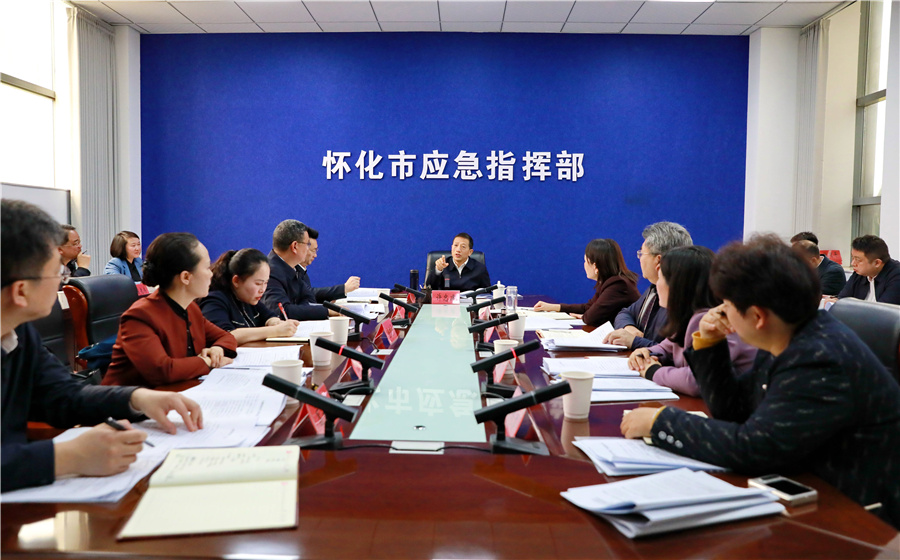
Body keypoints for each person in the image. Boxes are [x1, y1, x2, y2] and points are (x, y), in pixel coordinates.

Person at [620, 235, 900, 529]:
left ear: (757, 316)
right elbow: (734, 409)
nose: (720, 311)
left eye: (727, 304)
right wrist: (708, 343)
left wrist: (662, 422)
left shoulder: (817, 357)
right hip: (812, 487)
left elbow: (755, 448)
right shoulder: (788, 336)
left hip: (859, 517)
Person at [1, 200, 203, 493]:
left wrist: (136, 398)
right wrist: (66, 457)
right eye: (58, 274)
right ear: (21, 291)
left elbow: (64, 394)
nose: (61, 282)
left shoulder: (19, 332)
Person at [103, 233, 237, 387]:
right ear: (186, 277)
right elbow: (162, 371)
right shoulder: (140, 316)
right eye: (207, 267)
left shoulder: (190, 308)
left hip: (177, 392)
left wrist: (217, 349)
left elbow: (226, 337)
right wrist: (206, 362)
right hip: (134, 400)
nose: (211, 274)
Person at [627, 246, 756, 396]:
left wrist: (653, 371)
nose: (657, 285)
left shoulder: (712, 321)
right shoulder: (688, 316)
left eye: (660, 278)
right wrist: (645, 353)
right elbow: (666, 348)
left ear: (677, 286)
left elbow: (697, 380)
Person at [604, 221, 693, 349]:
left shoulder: (685, 301)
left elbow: (674, 353)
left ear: (659, 260)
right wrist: (629, 327)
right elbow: (625, 313)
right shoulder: (654, 288)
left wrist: (635, 342)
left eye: (642, 253)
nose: (639, 259)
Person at [200, 248, 300, 345]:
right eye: (258, 283)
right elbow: (225, 336)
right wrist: (275, 330)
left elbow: (268, 316)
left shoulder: (249, 298)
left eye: (266, 283)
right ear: (236, 281)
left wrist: (275, 322)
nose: (262, 289)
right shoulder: (214, 301)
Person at [534, 239, 640, 327]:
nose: (584, 265)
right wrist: (554, 307)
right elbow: (588, 307)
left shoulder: (618, 285)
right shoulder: (611, 282)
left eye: (586, 261)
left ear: (595, 266)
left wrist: (585, 316)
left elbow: (591, 317)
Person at [262, 219, 336, 321]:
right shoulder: (269, 272)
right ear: (295, 246)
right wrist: (327, 311)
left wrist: (300, 309)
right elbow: (282, 311)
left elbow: (308, 298)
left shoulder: (292, 267)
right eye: (307, 244)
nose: (308, 249)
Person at [300, 227, 361, 303]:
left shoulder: (302, 270)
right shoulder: (291, 271)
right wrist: (343, 289)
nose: (315, 255)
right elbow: (306, 294)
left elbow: (307, 298)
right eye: (312, 251)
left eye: (316, 250)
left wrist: (327, 301)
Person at [836, 235, 900, 304]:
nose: (853, 263)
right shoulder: (860, 272)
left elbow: (884, 309)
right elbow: (842, 300)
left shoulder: (896, 276)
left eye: (858, 260)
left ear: (877, 263)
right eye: (852, 258)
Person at [424, 232, 491, 291]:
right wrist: (438, 270)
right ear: (451, 247)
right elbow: (429, 289)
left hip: (471, 301)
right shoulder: (442, 265)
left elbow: (487, 293)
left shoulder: (480, 268)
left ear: (470, 252)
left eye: (463, 247)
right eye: (455, 245)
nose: (458, 249)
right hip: (446, 301)